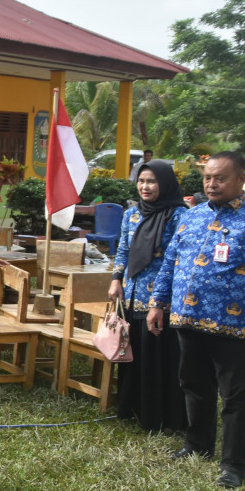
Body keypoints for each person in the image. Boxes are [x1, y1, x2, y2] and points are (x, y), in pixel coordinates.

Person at [147, 152, 245, 489]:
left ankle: (234, 465)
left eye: (221, 178)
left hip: (236, 326)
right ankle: (197, 444)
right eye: (207, 178)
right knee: (194, 385)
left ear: (241, 180)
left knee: (236, 397)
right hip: (188, 319)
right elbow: (170, 263)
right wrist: (157, 303)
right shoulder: (191, 217)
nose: (212, 184)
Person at [108, 160, 188, 432]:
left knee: (158, 357)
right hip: (131, 295)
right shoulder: (131, 213)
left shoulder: (178, 215)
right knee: (134, 353)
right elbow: (122, 249)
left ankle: (160, 415)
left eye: (152, 181)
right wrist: (116, 278)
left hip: (159, 299)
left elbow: (176, 259)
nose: (145, 186)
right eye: (141, 181)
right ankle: (133, 409)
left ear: (164, 183)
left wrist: (161, 300)